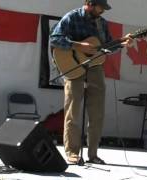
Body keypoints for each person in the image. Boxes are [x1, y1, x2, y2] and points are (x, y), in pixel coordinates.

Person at [50, 0, 132, 164]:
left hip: (95, 67)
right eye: (101, 7)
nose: (103, 11)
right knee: (73, 111)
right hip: (74, 66)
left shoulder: (102, 23)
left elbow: (106, 47)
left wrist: (122, 43)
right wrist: (78, 46)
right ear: (89, 3)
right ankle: (72, 152)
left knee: (97, 113)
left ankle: (93, 154)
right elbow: (54, 39)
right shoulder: (72, 17)